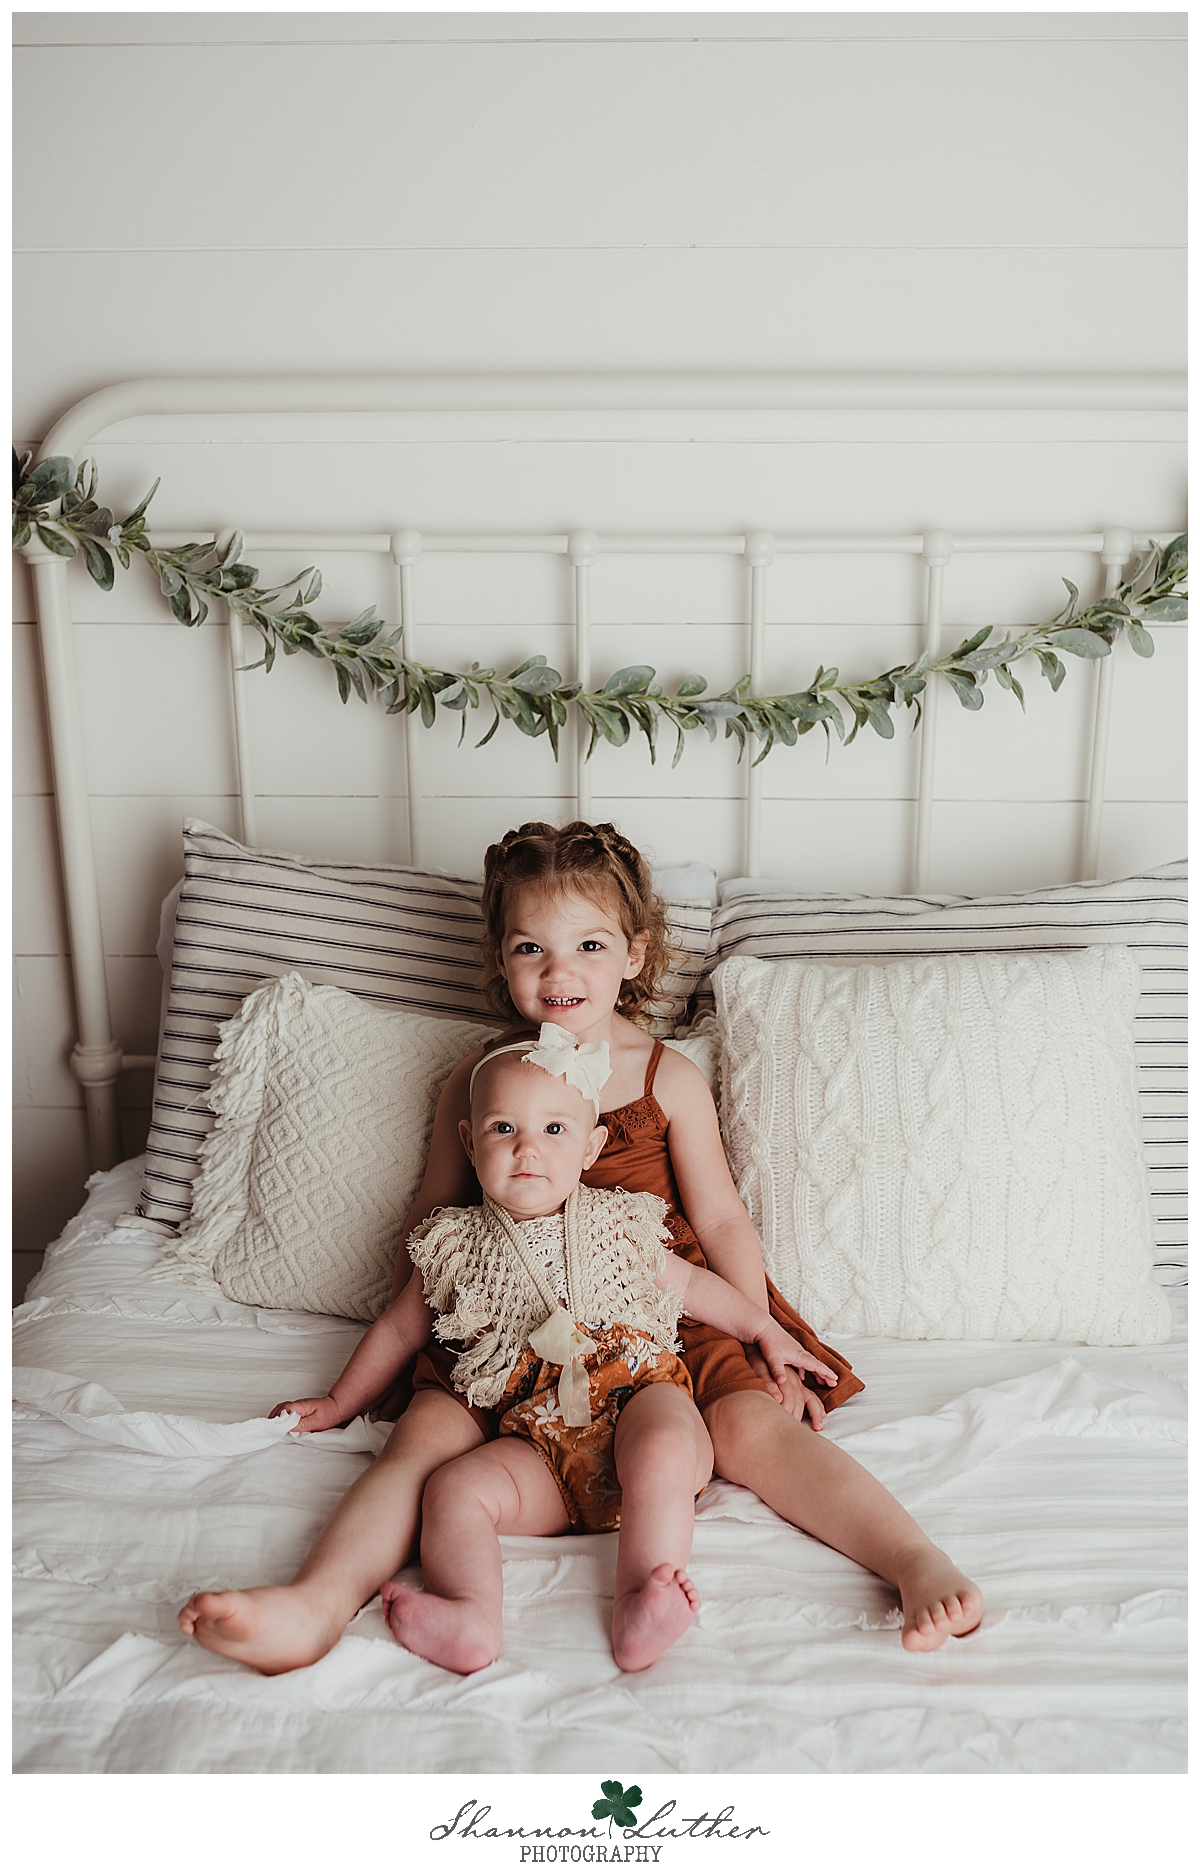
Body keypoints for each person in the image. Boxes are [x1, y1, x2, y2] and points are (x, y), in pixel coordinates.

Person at [178, 821, 981, 1674]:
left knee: (751, 1428)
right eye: (532, 946)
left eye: (589, 945)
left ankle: (914, 1561)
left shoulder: (665, 1075)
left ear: (635, 954)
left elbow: (719, 1221)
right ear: (502, 958)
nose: (559, 972)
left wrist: (760, 1337)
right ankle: (315, 1602)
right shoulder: (477, 1080)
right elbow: (434, 1221)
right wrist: (360, 1386)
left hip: (654, 1313)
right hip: (506, 1310)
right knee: (422, 1442)